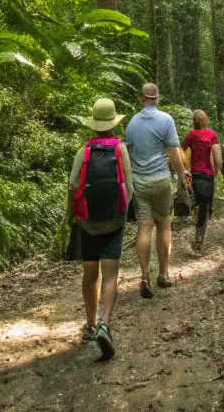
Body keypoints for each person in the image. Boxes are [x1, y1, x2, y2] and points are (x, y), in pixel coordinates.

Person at [68, 96, 132, 360]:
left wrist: (76, 216)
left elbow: (73, 185)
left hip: (87, 221)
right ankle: (105, 323)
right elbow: (129, 184)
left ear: (93, 123)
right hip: (114, 221)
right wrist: (121, 210)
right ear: (114, 123)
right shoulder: (120, 149)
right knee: (110, 274)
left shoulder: (84, 150)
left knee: (90, 273)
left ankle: (90, 325)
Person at [124, 83, 190, 297]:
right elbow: (174, 154)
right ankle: (163, 274)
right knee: (164, 224)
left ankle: (144, 277)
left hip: (139, 182)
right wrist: (182, 178)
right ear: (157, 98)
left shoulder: (132, 123)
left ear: (142, 98)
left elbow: (129, 157)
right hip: (161, 180)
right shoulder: (166, 120)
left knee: (144, 228)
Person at [182, 109, 223, 249]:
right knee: (206, 206)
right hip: (209, 175)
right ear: (204, 119)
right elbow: (218, 157)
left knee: (198, 205)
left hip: (196, 176)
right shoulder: (212, 134)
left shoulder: (191, 134)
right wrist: (218, 170)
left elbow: (181, 150)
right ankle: (201, 238)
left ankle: (197, 234)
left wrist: (184, 169)